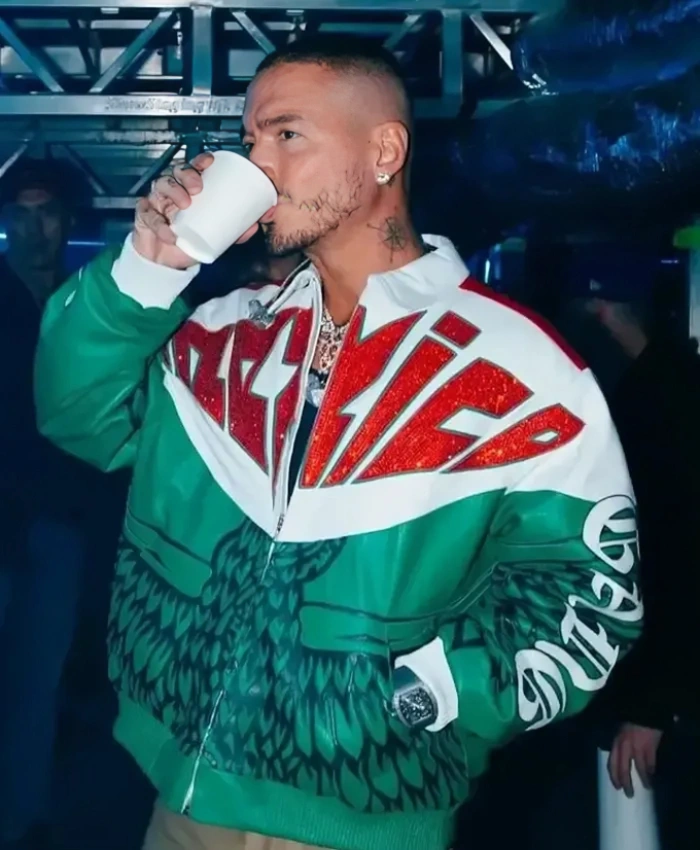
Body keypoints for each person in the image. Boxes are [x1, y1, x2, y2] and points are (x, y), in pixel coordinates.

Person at [35, 40, 642, 850]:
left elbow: (587, 593)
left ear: (384, 151)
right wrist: (150, 269)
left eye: (287, 135)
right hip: (185, 798)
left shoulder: (521, 365)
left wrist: (430, 693)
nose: (259, 165)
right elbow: (80, 415)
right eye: (251, 140)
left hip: (366, 812)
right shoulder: (222, 334)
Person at [569, 248, 700, 850]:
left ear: (603, 310)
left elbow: (676, 559)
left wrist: (652, 705)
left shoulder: (661, 406)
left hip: (664, 699)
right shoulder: (659, 390)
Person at [0, 161, 91, 849]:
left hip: (58, 522)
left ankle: (21, 819)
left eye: (47, 212)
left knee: (38, 682)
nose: (35, 229)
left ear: (67, 221)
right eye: (22, 213)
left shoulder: (83, 305)